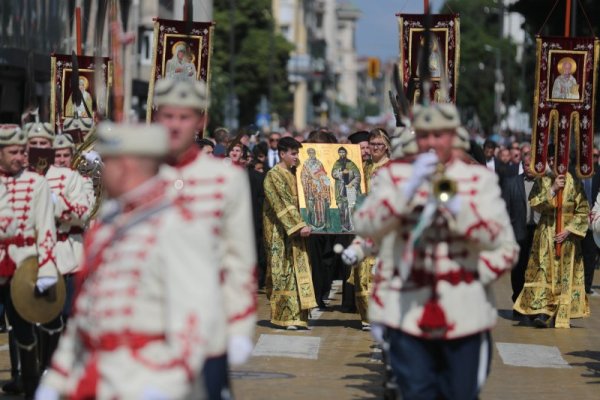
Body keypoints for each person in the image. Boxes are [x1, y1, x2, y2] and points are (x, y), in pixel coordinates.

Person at [37, 122, 221, 399]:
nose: (99, 171)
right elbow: (85, 314)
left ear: (127, 166)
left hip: (152, 378)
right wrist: (58, 379)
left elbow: (198, 320)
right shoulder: (105, 228)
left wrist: (165, 385)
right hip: (99, 378)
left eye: (107, 163)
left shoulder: (179, 226)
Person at [353, 103, 518, 399]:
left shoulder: (480, 181)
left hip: (464, 316)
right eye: (424, 136)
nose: (431, 143)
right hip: (409, 313)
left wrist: (460, 213)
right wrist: (405, 192)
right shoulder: (394, 177)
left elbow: (505, 248)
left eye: (439, 135)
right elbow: (365, 225)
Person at [153, 78, 256, 399]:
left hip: (205, 323)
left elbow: (240, 259)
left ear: (201, 121)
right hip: (150, 322)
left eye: (184, 117)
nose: (175, 125)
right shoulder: (141, 172)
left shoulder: (227, 179)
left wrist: (240, 326)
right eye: (168, 116)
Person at [0, 124, 58, 399]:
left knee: (24, 334)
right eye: (13, 151)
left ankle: (33, 389)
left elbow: (46, 228)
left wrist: (47, 269)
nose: (22, 157)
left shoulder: (37, 182)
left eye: (23, 151)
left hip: (23, 266)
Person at [514, 145, 590, 328]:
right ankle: (542, 311)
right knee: (543, 272)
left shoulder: (575, 183)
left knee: (563, 275)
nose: (554, 163)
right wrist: (553, 190)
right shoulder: (543, 181)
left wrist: (569, 230)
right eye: (551, 160)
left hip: (568, 239)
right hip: (546, 234)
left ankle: (560, 312)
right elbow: (534, 203)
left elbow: (583, 210)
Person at [263, 137, 317, 329]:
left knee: (297, 272)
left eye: (297, 153)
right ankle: (284, 317)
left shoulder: (296, 174)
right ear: (282, 154)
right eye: (293, 153)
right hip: (280, 232)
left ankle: (298, 316)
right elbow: (282, 204)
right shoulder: (273, 175)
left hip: (298, 230)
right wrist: (299, 225)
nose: (296, 157)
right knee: (283, 272)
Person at [502, 144, 538, 312]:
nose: (528, 168)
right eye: (525, 165)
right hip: (518, 231)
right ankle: (517, 298)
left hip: (537, 231)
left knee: (534, 268)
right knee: (518, 269)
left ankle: (531, 302)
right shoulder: (512, 183)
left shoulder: (544, 183)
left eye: (531, 165)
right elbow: (506, 210)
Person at [300, 148, 331, 231]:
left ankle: (321, 223)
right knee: (311, 206)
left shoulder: (319, 163)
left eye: (313, 152)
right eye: (310, 153)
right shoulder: (306, 164)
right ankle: (312, 224)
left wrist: (320, 177)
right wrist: (309, 180)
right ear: (308, 154)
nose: (311, 154)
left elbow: (324, 173)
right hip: (310, 188)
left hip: (319, 189)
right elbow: (303, 176)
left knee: (320, 205)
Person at [331, 147, 362, 232]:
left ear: (346, 153)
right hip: (340, 189)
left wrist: (351, 182)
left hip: (350, 189)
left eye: (343, 152)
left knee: (350, 209)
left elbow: (358, 176)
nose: (342, 154)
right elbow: (333, 174)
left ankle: (352, 227)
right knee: (341, 208)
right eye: (340, 152)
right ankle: (343, 227)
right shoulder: (336, 163)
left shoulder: (351, 163)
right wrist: (340, 171)